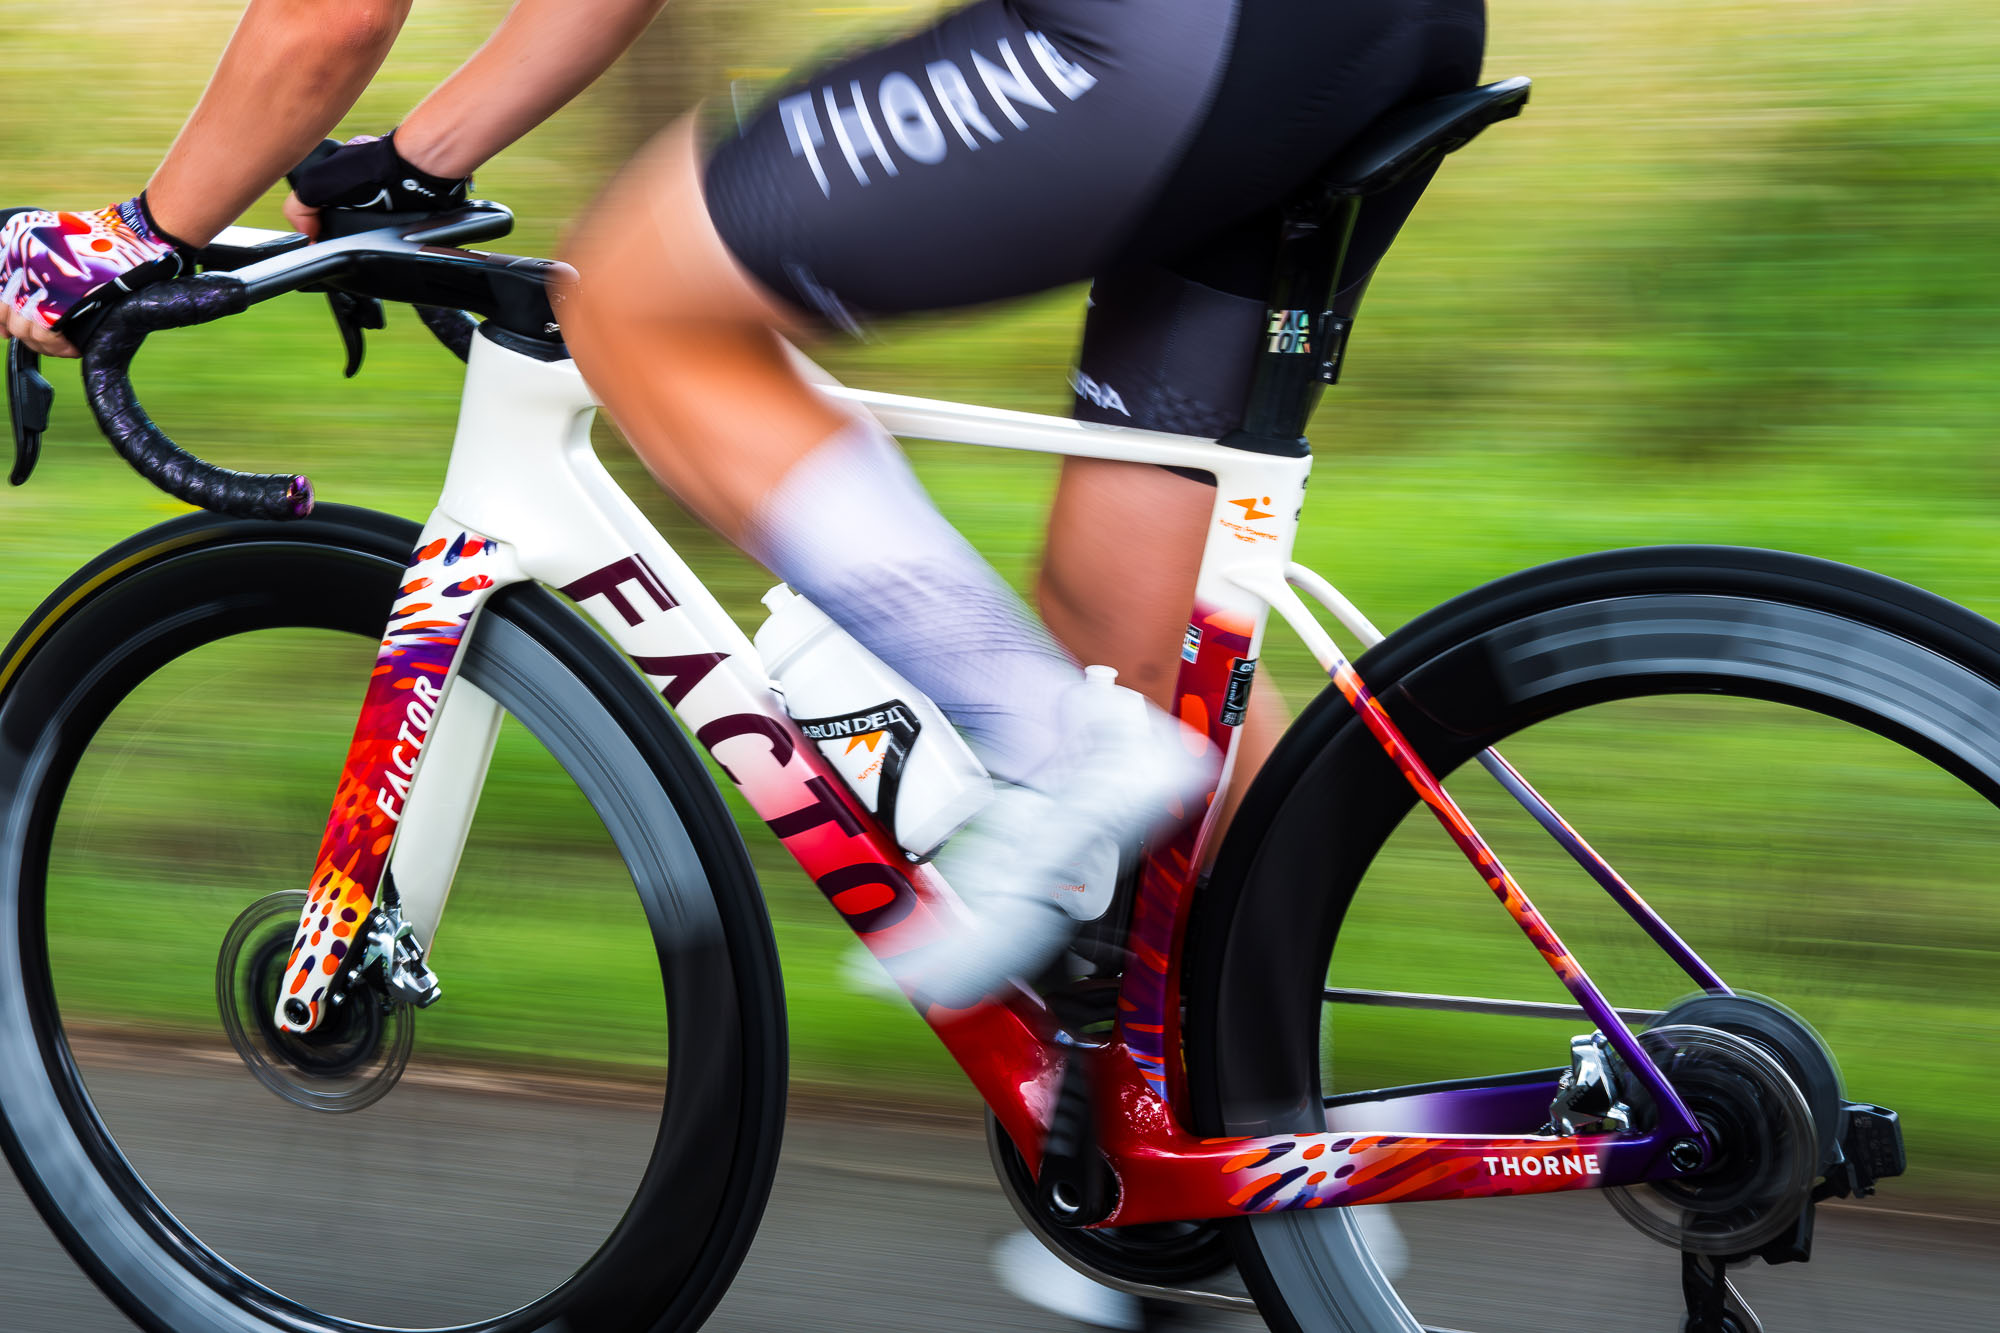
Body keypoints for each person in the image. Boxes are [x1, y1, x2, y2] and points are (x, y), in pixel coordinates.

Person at [1, 0, 1484, 1004]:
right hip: (1365, 34)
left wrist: (133, 237)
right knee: (1136, 635)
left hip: (1164, 39)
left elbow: (326, 18)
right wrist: (416, 159)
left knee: (634, 298)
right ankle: (1253, 1134)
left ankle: (1049, 749)